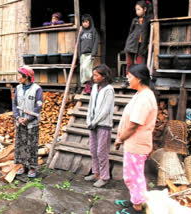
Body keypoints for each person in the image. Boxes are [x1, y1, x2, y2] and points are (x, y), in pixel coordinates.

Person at [114, 64, 158, 214]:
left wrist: (120, 139)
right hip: (134, 142)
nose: (128, 79)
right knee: (132, 174)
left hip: (136, 143)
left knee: (134, 176)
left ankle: (137, 208)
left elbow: (134, 125)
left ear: (139, 79)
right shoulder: (141, 94)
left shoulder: (145, 97)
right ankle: (135, 199)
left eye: (130, 77)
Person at [84, 64, 114, 188]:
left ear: (103, 76)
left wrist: (95, 121)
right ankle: (96, 173)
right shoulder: (95, 87)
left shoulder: (109, 90)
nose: (94, 77)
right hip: (92, 124)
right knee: (93, 149)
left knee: (102, 152)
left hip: (103, 124)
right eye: (94, 74)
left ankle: (104, 176)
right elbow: (91, 106)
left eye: (97, 75)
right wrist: (88, 120)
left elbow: (105, 110)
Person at [12, 66, 43, 178]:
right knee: (21, 145)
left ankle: (32, 168)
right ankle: (23, 166)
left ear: (26, 77)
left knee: (32, 145)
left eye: (19, 75)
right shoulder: (18, 88)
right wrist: (17, 117)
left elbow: (38, 106)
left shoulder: (37, 89)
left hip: (31, 123)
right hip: (20, 122)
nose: (18, 77)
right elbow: (14, 104)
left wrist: (28, 118)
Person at [123, 1, 153, 87]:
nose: (137, 11)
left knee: (140, 63)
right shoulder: (134, 20)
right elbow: (130, 32)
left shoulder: (148, 20)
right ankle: (127, 80)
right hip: (131, 44)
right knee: (129, 63)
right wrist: (128, 43)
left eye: (139, 9)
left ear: (145, 9)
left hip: (141, 45)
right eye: (136, 10)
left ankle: (139, 80)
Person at [79, 14, 99, 94]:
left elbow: (96, 43)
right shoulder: (81, 32)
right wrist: (79, 55)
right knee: (83, 70)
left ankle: (89, 84)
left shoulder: (93, 31)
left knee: (85, 68)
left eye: (86, 22)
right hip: (83, 55)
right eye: (83, 22)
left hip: (90, 54)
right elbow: (79, 45)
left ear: (90, 22)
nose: (85, 24)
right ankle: (89, 86)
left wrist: (93, 54)